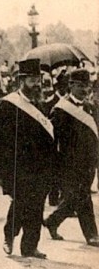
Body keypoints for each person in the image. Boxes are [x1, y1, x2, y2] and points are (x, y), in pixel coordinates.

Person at [0, 58, 56, 258]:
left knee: (37, 205)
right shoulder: (8, 105)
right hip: (18, 166)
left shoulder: (40, 105)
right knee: (21, 203)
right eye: (32, 80)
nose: (37, 84)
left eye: (38, 79)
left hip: (40, 166)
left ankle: (30, 246)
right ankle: (9, 235)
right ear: (21, 81)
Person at [43, 69, 99, 246]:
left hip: (88, 163)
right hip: (69, 164)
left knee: (75, 198)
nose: (85, 90)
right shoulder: (60, 110)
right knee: (81, 196)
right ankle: (92, 235)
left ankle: (52, 221)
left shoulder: (91, 108)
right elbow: (53, 140)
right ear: (71, 86)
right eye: (81, 86)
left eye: (87, 86)